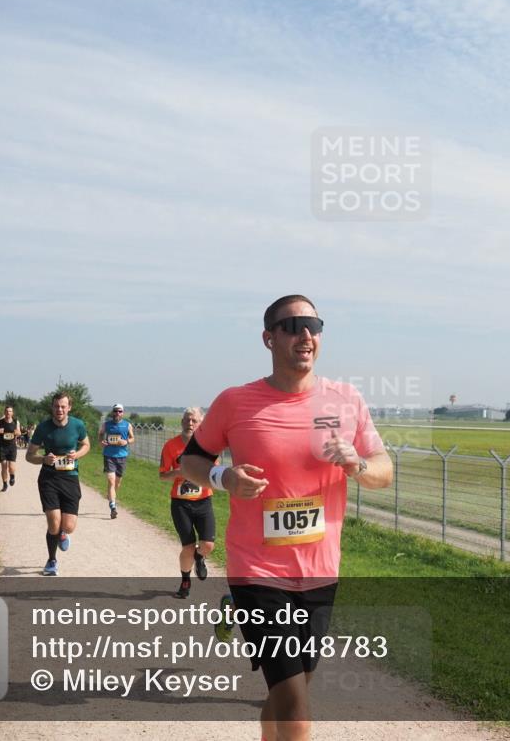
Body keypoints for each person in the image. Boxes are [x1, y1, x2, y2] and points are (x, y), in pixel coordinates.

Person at [180, 294, 392, 741]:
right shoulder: (236, 402)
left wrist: (357, 465)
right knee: (296, 706)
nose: (306, 335)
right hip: (256, 572)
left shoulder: (346, 399)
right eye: (293, 325)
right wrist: (223, 477)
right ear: (268, 338)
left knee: (286, 694)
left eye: (314, 324)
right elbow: (191, 461)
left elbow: (383, 471)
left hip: (320, 571)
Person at [25, 392, 90, 576]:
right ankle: (52, 560)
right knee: (53, 523)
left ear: (69, 407)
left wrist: (77, 455)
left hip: (70, 478)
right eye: (56, 406)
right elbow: (29, 456)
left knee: (68, 526)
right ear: (52, 408)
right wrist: (44, 459)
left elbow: (86, 445)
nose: (59, 410)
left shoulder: (78, 425)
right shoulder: (43, 428)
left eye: (63, 406)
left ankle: (63, 533)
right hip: (49, 478)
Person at [159, 408, 216, 598]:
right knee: (188, 546)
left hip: (203, 501)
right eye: (187, 420)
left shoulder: (208, 447)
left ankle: (200, 557)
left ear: (201, 424)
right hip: (181, 504)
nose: (190, 424)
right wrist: (178, 473)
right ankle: (185, 580)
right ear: (182, 422)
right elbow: (162, 475)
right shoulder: (170, 446)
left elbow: (213, 474)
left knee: (207, 545)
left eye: (194, 421)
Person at [98, 404, 134, 519]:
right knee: (111, 480)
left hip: (122, 457)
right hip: (109, 456)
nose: (117, 413)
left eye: (120, 411)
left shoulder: (127, 425)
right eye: (115, 411)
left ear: (123, 413)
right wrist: (101, 441)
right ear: (112, 412)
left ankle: (111, 495)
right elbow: (100, 434)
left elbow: (133, 438)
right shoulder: (106, 424)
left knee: (117, 483)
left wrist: (126, 441)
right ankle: (113, 506)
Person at [0, 406, 21, 493]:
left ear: (12, 413)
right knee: (4, 466)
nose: (8, 413)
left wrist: (17, 433)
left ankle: (12, 476)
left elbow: (19, 433)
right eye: (6, 411)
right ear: (4, 412)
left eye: (10, 411)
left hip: (12, 447)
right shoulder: (0, 422)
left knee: (11, 467)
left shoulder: (16, 422)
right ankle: (5, 484)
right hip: (2, 447)